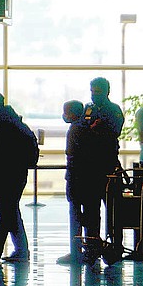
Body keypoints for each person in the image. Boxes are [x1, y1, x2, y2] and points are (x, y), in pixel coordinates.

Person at [73, 77, 125, 265]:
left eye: (97, 91)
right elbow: (80, 128)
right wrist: (92, 129)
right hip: (90, 169)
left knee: (113, 210)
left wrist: (93, 130)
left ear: (107, 92)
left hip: (108, 167)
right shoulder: (89, 109)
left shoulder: (114, 111)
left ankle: (115, 246)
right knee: (91, 211)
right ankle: (93, 247)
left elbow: (113, 132)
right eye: (92, 91)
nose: (94, 95)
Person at [0, 90, 34, 262]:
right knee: (9, 210)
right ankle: (18, 250)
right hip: (16, 172)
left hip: (9, 174)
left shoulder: (2, 121)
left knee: (7, 210)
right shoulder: (10, 118)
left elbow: (3, 152)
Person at [57, 100, 87, 265]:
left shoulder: (75, 129)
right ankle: (90, 250)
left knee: (75, 214)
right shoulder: (87, 127)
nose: (64, 116)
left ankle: (76, 251)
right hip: (87, 178)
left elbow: (72, 154)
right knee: (89, 214)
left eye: (66, 112)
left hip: (76, 178)